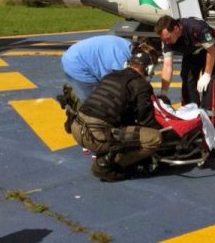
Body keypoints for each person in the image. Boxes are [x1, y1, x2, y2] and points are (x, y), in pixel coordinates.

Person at [69, 43, 162, 182]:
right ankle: (106, 164)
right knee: (154, 138)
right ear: (149, 69)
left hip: (77, 128)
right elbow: (146, 121)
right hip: (96, 135)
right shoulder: (141, 85)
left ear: (127, 64)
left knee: (121, 129)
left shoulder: (109, 76)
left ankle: (107, 154)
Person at [154, 15, 215, 110]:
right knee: (187, 79)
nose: (167, 42)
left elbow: (212, 51)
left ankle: (209, 113)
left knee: (210, 82)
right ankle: (191, 110)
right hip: (191, 51)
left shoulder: (197, 28)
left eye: (168, 38)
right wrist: (163, 92)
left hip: (210, 49)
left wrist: (207, 74)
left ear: (176, 29)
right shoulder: (166, 40)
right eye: (164, 40)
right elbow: (167, 65)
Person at [61, 35, 132, 102]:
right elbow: (118, 84)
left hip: (75, 55)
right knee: (95, 101)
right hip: (77, 64)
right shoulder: (121, 59)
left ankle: (73, 95)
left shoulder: (127, 45)